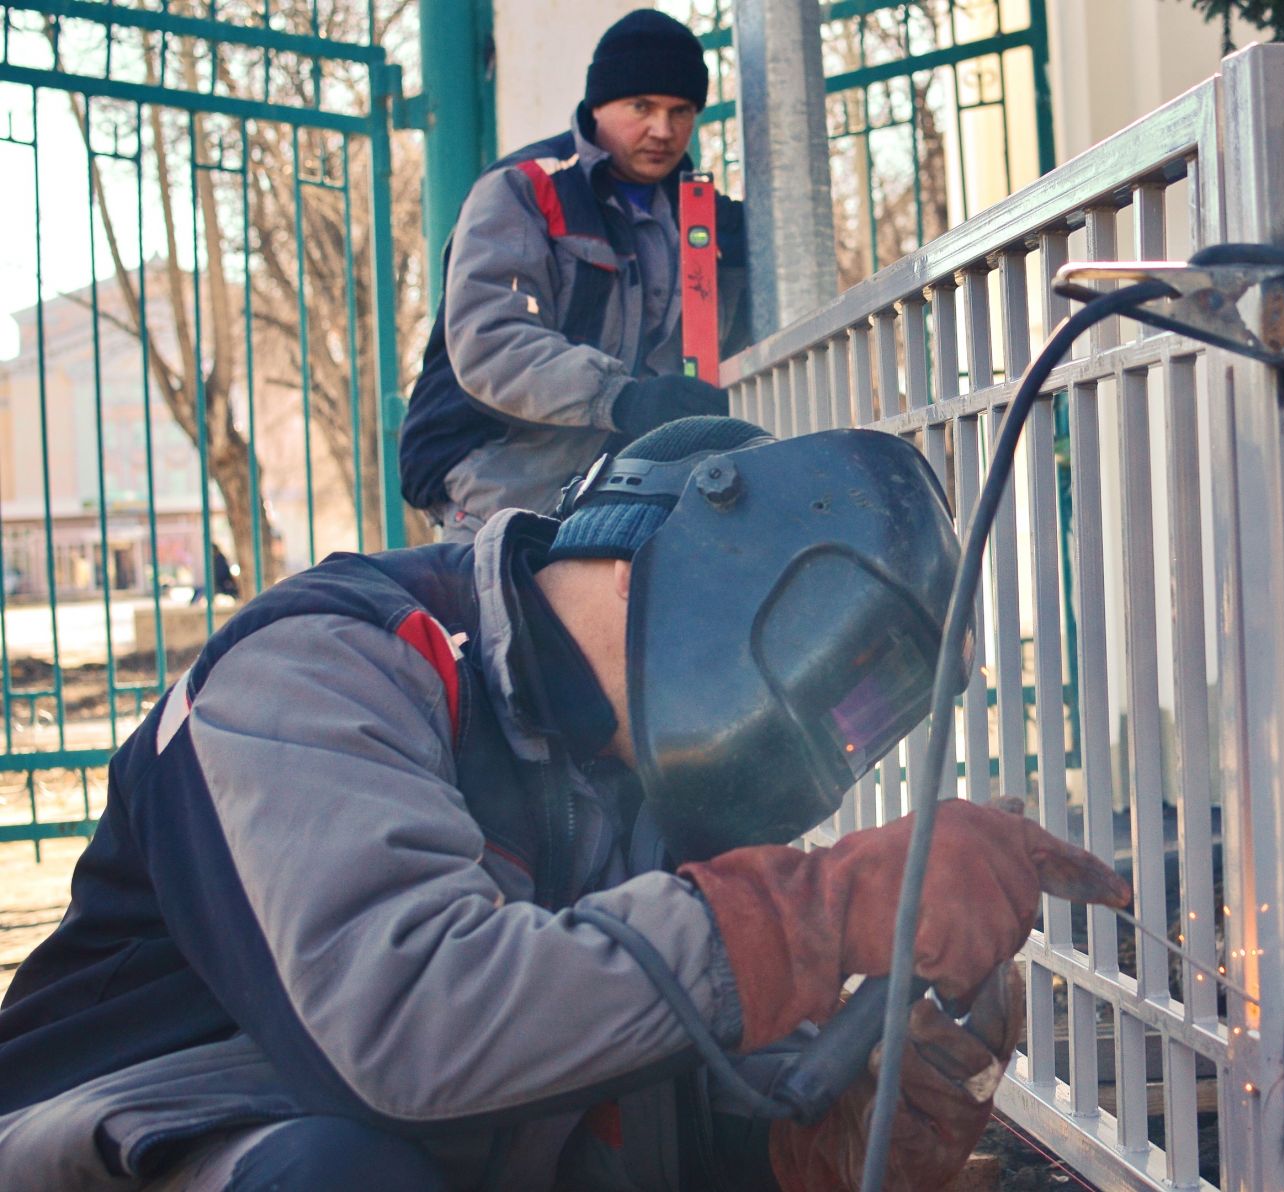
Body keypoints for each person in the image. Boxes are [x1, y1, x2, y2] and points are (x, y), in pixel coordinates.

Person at [0, 417, 1131, 1191]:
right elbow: (413, 1026)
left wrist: (836, 1106)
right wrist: (814, 911)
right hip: (125, 1144)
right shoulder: (327, 660)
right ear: (723, 558)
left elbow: (618, 1097)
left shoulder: (634, 799)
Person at [399, 9, 752, 543]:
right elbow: (490, 342)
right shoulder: (525, 190)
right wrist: (622, 397)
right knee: (507, 629)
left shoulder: (708, 221)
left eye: (681, 110)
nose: (663, 129)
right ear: (598, 104)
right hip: (504, 494)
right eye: (642, 107)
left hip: (639, 497)